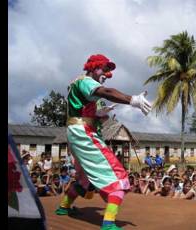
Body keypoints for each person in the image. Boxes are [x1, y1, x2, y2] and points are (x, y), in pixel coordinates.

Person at [55, 54, 152, 230]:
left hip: (77, 132)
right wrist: (132, 100)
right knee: (118, 176)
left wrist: (99, 114)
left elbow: (85, 111)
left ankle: (63, 207)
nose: (107, 74)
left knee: (85, 180)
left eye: (108, 71)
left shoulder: (81, 85)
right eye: (104, 69)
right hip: (83, 133)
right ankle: (108, 222)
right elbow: (106, 92)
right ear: (93, 67)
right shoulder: (86, 81)